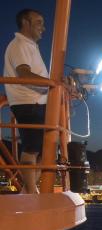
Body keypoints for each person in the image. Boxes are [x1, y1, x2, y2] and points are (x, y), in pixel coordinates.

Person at [4, 9, 47, 194]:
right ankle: (31, 192)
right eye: (38, 22)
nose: (43, 28)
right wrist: (52, 83)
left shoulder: (29, 46)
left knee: (45, 151)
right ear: (25, 22)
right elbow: (23, 73)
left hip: (37, 102)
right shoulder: (19, 44)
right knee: (32, 147)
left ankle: (28, 191)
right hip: (28, 103)